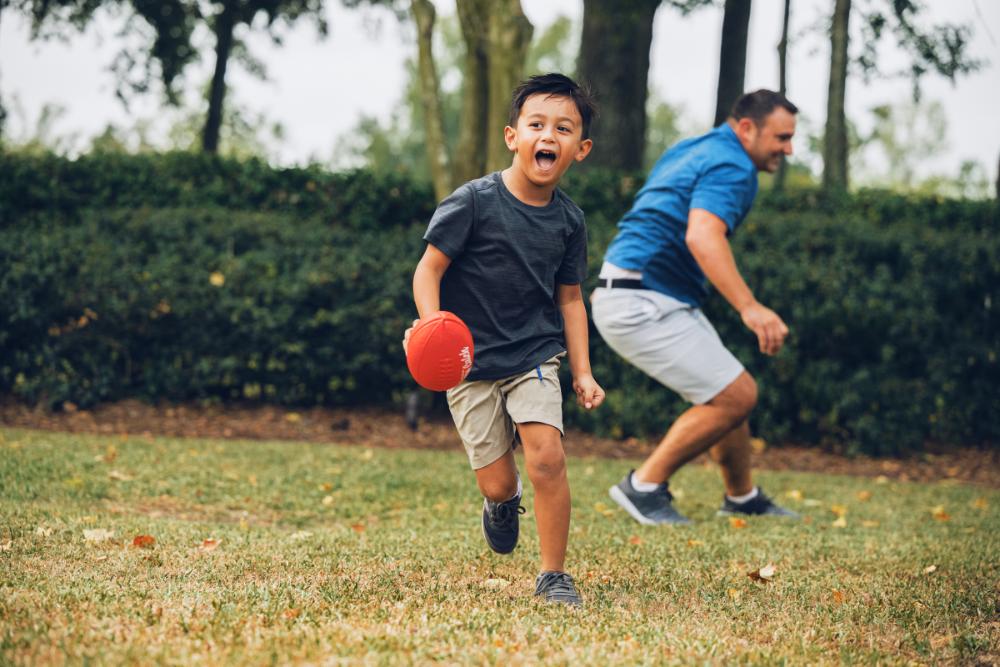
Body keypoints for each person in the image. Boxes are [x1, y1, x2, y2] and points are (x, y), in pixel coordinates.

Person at [404, 73, 605, 605]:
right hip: (467, 362)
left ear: (579, 150)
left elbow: (569, 301)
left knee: (547, 455)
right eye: (537, 124)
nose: (549, 135)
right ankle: (501, 500)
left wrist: (582, 370)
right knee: (497, 481)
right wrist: (431, 325)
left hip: (534, 354)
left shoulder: (569, 222)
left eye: (564, 128)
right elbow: (429, 271)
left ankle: (553, 575)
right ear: (513, 136)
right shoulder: (473, 201)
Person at [592, 90, 799, 525]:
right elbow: (703, 236)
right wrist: (750, 307)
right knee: (737, 394)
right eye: (781, 137)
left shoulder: (695, 148)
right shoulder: (735, 166)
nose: (788, 149)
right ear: (747, 128)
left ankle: (741, 497)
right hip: (641, 297)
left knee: (729, 387)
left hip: (640, 290)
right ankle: (644, 487)